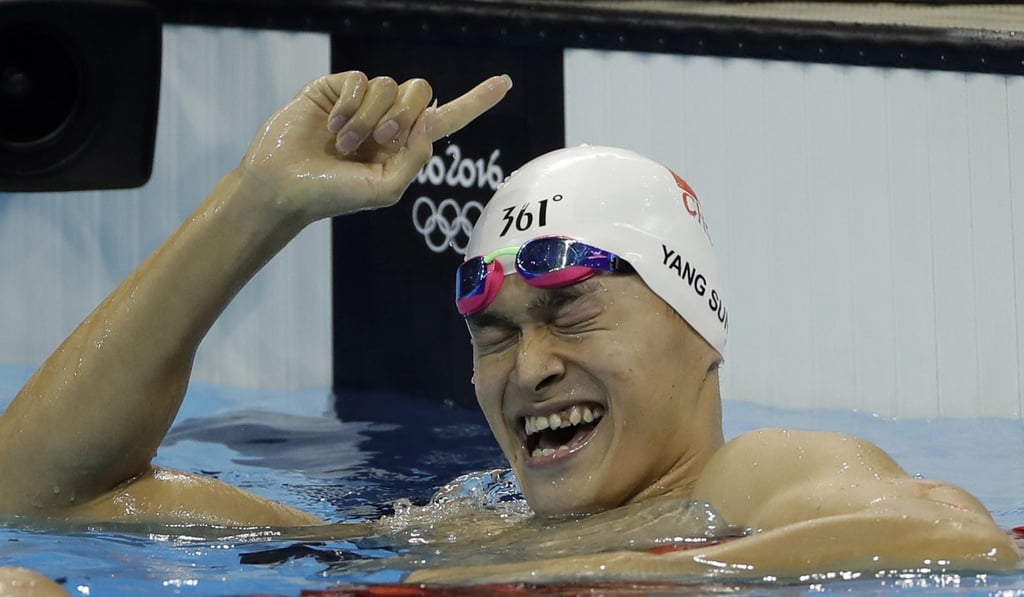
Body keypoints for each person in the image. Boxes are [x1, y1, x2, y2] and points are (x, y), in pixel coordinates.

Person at [0, 69, 1018, 587]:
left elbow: (954, 537)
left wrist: (574, 571)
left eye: (572, 308)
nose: (529, 366)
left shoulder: (744, 485)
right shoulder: (465, 533)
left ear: (701, 329)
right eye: (493, 332)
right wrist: (258, 204)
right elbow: (36, 491)